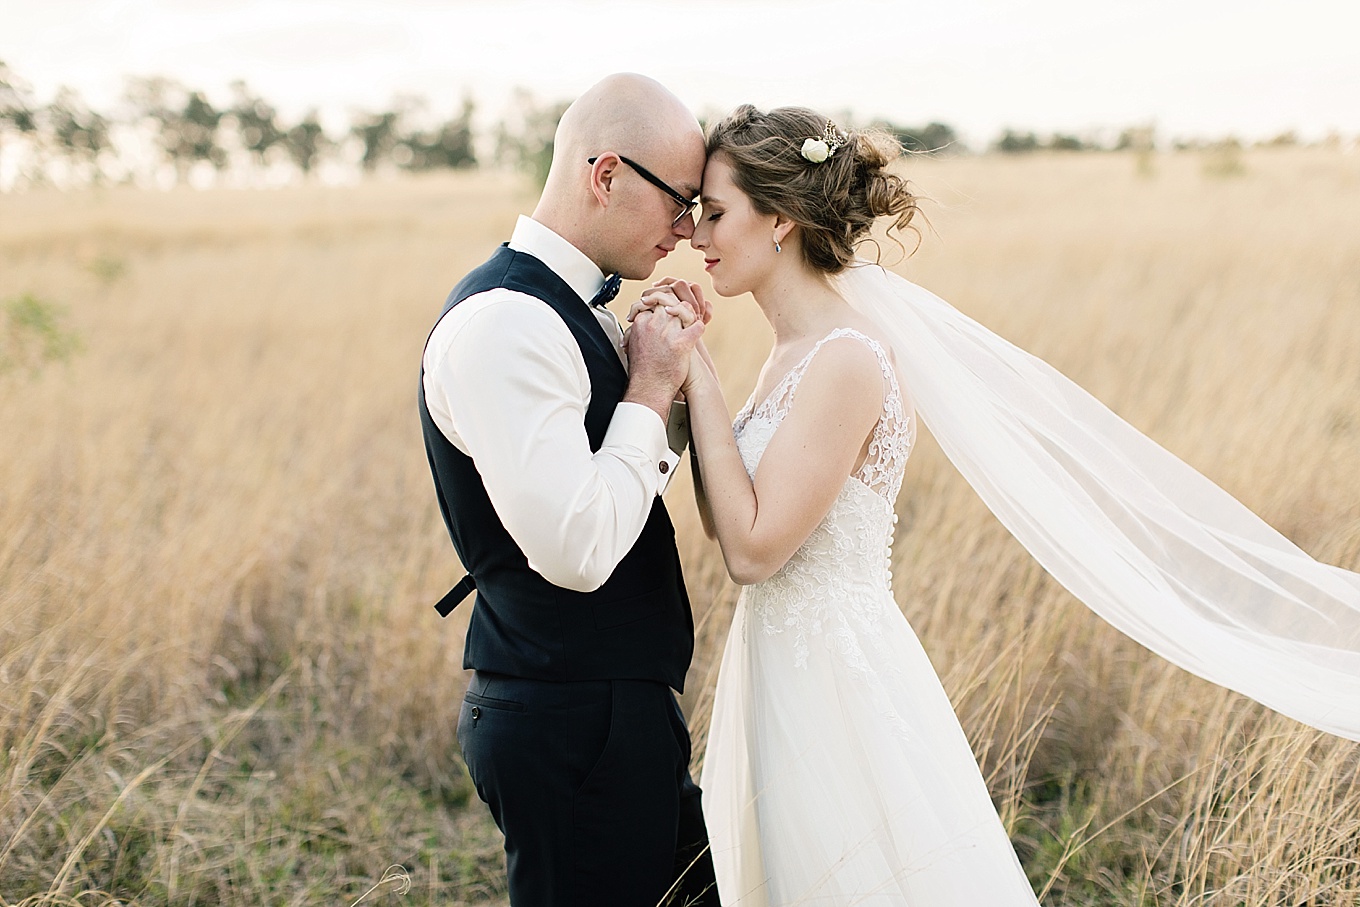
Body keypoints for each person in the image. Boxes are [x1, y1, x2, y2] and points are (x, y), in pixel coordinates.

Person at [632, 104, 1360, 905]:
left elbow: (752, 550)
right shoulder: (787, 357)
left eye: (716, 211)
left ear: (781, 220)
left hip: (834, 681)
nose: (696, 236)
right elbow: (729, 517)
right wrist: (677, 384)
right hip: (777, 661)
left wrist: (696, 375)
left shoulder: (844, 361)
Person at [418, 73, 720, 906]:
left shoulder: (570, 309)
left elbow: (602, 466)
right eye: (680, 200)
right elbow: (578, 550)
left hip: (606, 712)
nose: (689, 229)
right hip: (568, 722)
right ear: (607, 175)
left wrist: (668, 384)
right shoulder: (508, 323)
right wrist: (650, 388)